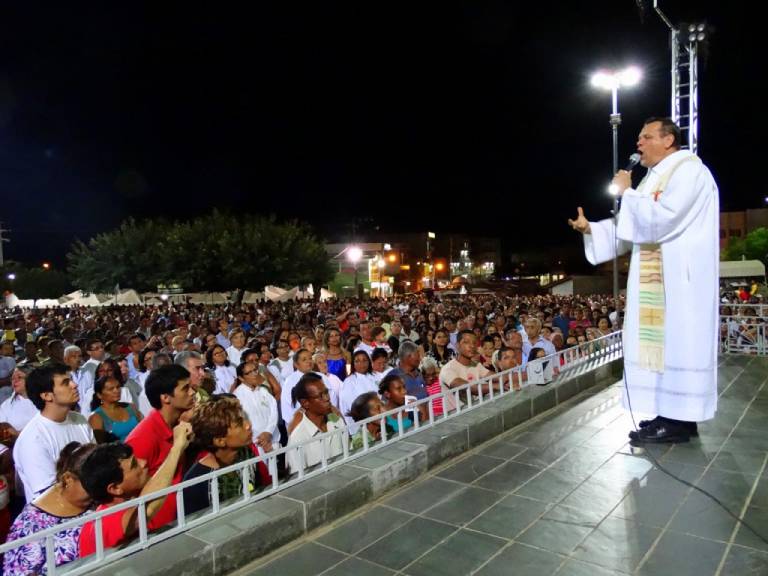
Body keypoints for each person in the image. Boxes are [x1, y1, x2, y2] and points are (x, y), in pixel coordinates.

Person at [569, 117, 719, 443]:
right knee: (660, 348)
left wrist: (628, 192)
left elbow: (662, 218)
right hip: (659, 285)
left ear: (668, 141)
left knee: (678, 348)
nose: (638, 144)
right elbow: (631, 228)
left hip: (680, 285)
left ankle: (679, 422)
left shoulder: (689, 172)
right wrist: (592, 230)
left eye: (646, 137)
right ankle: (670, 415)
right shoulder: (655, 179)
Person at [78, 422, 193, 556]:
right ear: (115, 488)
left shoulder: (127, 503)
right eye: (134, 465)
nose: (144, 463)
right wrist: (177, 448)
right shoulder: (104, 522)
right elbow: (146, 509)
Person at [3, 442, 96, 575]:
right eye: (93, 484)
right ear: (68, 479)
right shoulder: (30, 526)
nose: (100, 490)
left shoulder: (99, 502)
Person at [124, 364, 195, 529]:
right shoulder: (142, 438)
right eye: (185, 389)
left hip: (180, 519)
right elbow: (131, 496)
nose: (192, 392)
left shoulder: (180, 426)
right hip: (156, 529)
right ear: (165, 397)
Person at [13, 364, 95, 502]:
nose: (74, 385)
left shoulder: (79, 420)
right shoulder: (33, 439)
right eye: (65, 383)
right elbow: (50, 495)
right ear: (46, 395)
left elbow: (96, 462)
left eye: (71, 380)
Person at [183, 396, 264, 515]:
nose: (248, 425)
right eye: (239, 423)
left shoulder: (247, 454)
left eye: (244, 419)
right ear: (219, 440)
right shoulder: (197, 481)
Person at [286, 373, 345, 475]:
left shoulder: (337, 422)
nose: (327, 398)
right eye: (320, 396)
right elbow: (298, 482)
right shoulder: (297, 439)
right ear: (305, 403)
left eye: (327, 393)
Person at [88, 376, 143, 443]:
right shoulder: (96, 418)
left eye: (118, 387)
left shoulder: (131, 407)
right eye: (111, 389)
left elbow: (145, 429)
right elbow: (100, 447)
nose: (116, 391)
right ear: (99, 395)